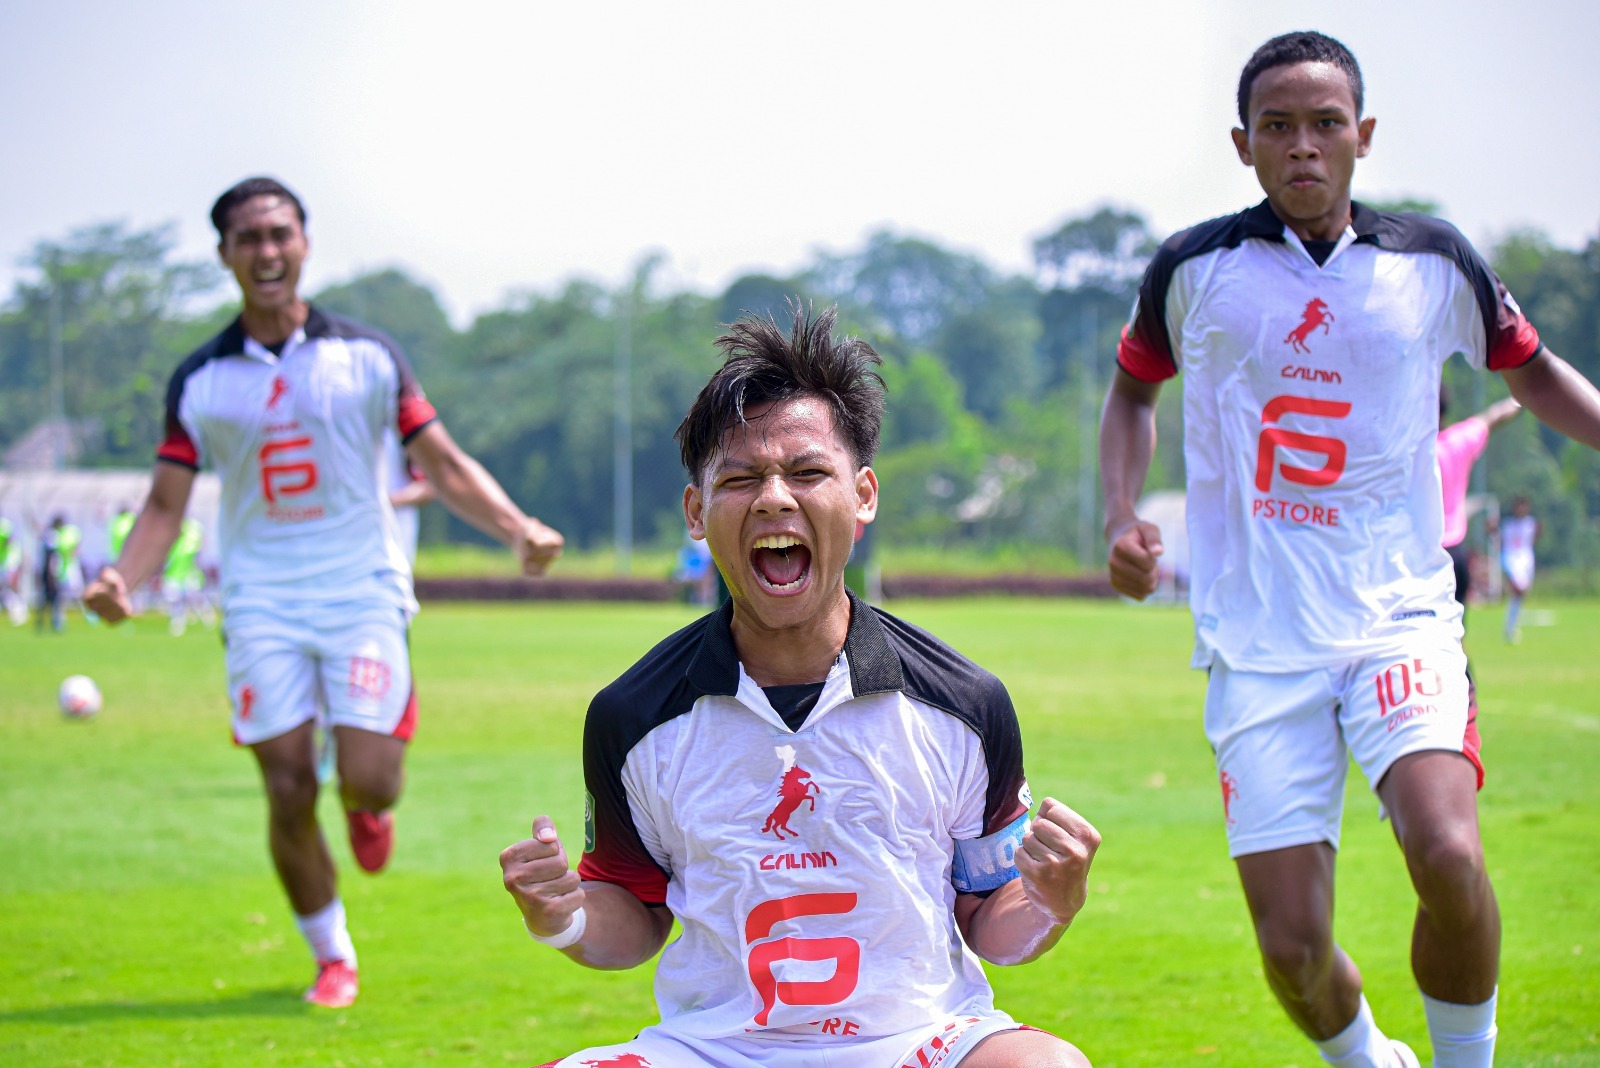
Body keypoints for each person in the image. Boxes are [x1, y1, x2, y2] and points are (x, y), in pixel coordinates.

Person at [1099, 31, 1600, 1068]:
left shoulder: (1431, 261)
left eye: (1325, 124)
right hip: (1257, 640)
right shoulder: (1193, 269)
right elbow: (1132, 391)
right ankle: (1369, 1061)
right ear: (1242, 144)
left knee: (1449, 851)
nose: (1303, 147)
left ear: (1362, 134)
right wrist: (1118, 517)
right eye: (1277, 127)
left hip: (1397, 615)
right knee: (1291, 950)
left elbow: (1532, 370)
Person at [502, 305, 1100, 1068]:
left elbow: (990, 918)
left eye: (809, 472)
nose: (775, 498)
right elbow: (633, 915)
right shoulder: (633, 714)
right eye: (741, 478)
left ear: (863, 495)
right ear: (696, 510)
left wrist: (1053, 896)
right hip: (713, 1051)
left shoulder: (965, 704)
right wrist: (563, 916)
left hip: (918, 1044)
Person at [84, 176, 565, 1009]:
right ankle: (331, 952)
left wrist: (517, 526)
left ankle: (369, 798)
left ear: (303, 243)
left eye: (280, 234)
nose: (267, 252)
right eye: (248, 238)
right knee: (284, 786)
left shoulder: (368, 356)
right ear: (226, 256)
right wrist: (123, 578)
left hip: (361, 592)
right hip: (261, 601)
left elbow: (442, 463)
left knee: (371, 782)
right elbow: (166, 504)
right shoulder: (200, 380)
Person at [1437, 394, 1520, 614]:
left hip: (1413, 555)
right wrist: (1523, 396)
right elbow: (1494, 415)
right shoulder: (1457, 442)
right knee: (1453, 635)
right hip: (1453, 554)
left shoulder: (1405, 450)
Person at [1498, 497, 1539, 643]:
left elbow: (1535, 537)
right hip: (1511, 559)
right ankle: (1510, 629)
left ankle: (1510, 627)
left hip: (1526, 561)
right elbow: (1500, 539)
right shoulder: (1507, 524)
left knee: (1519, 596)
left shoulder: (1530, 523)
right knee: (1518, 592)